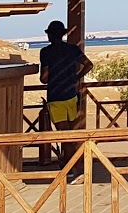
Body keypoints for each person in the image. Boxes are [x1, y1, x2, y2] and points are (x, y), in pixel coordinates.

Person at [40, 21, 93, 149]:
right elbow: (89, 65)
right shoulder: (73, 49)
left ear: (51, 35)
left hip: (55, 97)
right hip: (71, 96)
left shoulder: (46, 52)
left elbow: (44, 78)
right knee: (71, 135)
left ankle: (68, 166)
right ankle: (70, 164)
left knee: (64, 136)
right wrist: (75, 77)